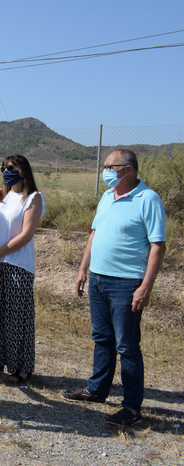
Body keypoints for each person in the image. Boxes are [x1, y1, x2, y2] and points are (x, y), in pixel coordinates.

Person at [62, 149, 166, 428]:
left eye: (110, 166)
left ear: (128, 169)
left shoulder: (148, 199)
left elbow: (158, 245)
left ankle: (131, 407)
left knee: (127, 345)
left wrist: (146, 286)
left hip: (126, 283)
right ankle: (97, 390)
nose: (105, 170)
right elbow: (94, 234)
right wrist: (83, 269)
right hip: (98, 279)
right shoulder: (107, 197)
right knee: (102, 338)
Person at [0, 155, 44, 385]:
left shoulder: (33, 198)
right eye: (3, 168)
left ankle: (22, 367)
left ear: (23, 171)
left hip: (18, 266)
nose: (6, 171)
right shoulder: (1, 195)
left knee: (19, 318)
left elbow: (26, 235)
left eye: (10, 167)